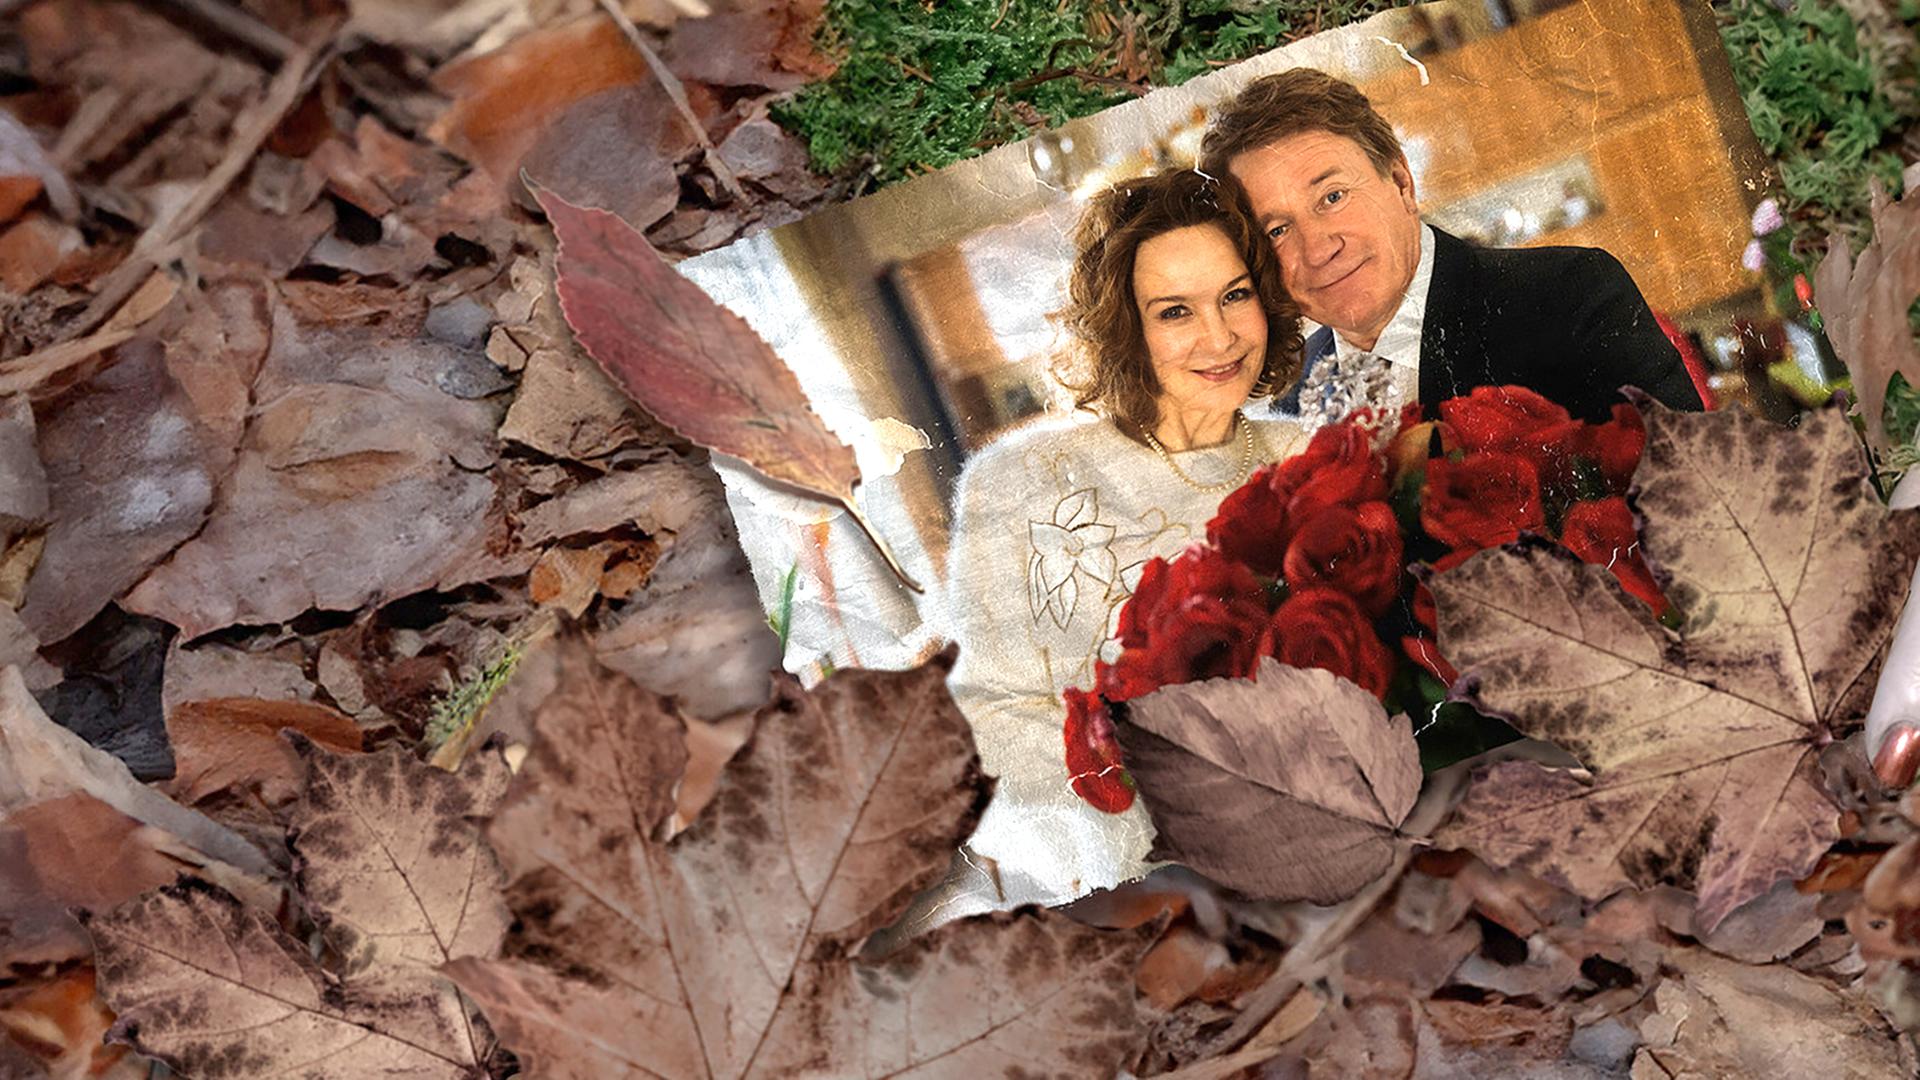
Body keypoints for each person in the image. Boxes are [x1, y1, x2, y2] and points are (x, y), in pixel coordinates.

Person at [929, 170, 1314, 919]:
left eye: (1235, 295)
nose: (1219, 336)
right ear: (1126, 332)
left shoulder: (1313, 460)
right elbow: (988, 717)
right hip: (1137, 893)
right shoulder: (1016, 481)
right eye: (1175, 311)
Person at [1197, 68, 1704, 425]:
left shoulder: (1568, 294)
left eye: (1332, 196)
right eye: (1276, 230)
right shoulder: (1284, 404)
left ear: (1400, 181)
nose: (1318, 249)